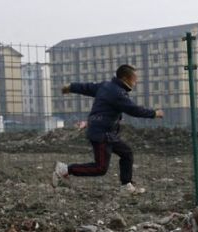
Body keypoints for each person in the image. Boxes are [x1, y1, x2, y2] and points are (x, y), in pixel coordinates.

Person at [52, 64, 164, 195]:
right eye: (134, 79)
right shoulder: (118, 93)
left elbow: (87, 87)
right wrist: (154, 113)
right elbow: (133, 110)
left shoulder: (106, 86)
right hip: (101, 133)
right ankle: (64, 170)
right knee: (100, 168)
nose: (136, 82)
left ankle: (126, 186)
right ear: (125, 78)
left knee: (126, 153)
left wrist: (71, 87)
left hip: (106, 133)